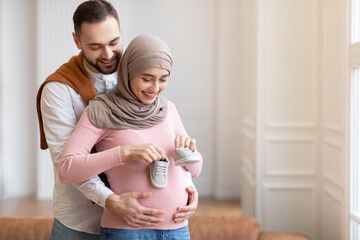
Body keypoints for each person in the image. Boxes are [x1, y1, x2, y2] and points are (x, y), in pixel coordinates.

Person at [35, 1, 199, 239]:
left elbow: (165, 137)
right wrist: (111, 201)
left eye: (114, 42)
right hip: (81, 220)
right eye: (95, 47)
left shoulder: (139, 71)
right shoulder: (59, 89)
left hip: (143, 223)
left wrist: (188, 189)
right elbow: (66, 162)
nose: (109, 54)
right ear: (77, 41)